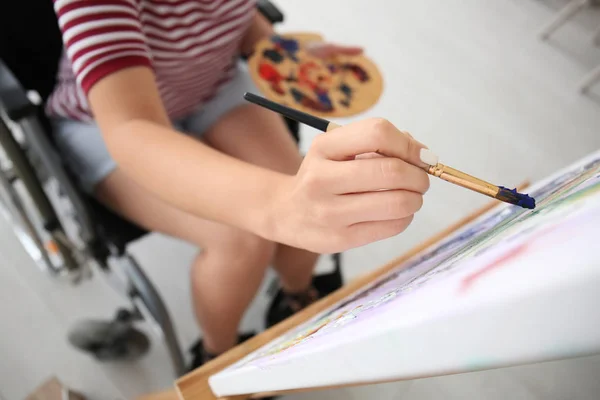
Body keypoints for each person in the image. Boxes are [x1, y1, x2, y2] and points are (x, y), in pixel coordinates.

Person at [46, 0, 432, 366]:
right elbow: (132, 126)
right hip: (101, 118)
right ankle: (217, 356)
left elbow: (231, 15)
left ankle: (297, 296)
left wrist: (284, 54)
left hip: (210, 83)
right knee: (238, 239)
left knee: (302, 197)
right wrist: (277, 206)